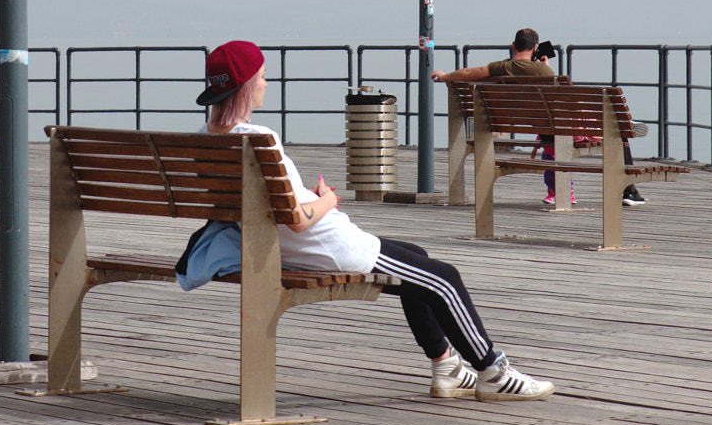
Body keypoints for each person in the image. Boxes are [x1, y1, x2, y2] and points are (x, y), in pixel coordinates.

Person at [199, 40, 553, 402]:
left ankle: (445, 366)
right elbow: (299, 220)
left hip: (287, 247)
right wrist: (328, 200)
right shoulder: (260, 138)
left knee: (418, 257)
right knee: (443, 278)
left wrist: (309, 198)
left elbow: (270, 204)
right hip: (326, 247)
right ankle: (492, 371)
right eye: (261, 76)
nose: (266, 83)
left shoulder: (206, 141)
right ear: (245, 86)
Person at [434, 29, 646, 208]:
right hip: (562, 127)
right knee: (620, 135)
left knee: (605, 127)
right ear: (535, 47)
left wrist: (445, 76)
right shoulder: (541, 69)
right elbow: (567, 100)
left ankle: (616, 132)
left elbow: (471, 73)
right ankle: (628, 192)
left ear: (513, 45)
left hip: (542, 126)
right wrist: (545, 67)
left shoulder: (503, 67)